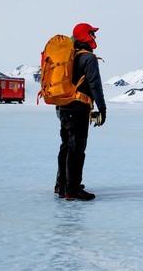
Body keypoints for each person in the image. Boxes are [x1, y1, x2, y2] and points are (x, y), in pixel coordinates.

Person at [55, 23, 107, 201]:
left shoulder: (67, 56)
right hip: (78, 108)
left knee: (66, 146)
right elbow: (95, 85)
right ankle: (72, 189)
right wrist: (102, 108)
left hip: (63, 107)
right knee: (77, 149)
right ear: (85, 35)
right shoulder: (88, 59)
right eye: (92, 33)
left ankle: (61, 185)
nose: (94, 37)